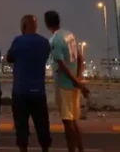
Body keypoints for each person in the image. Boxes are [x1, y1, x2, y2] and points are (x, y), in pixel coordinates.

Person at [44, 10, 90, 152]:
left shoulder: (54, 40)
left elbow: (62, 65)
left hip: (64, 85)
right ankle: (80, 149)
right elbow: (81, 58)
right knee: (73, 121)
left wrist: (76, 82)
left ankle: (72, 149)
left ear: (47, 24)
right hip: (74, 84)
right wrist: (78, 79)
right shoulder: (70, 35)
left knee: (67, 123)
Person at [6, 15, 52, 152]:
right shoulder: (44, 43)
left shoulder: (18, 41)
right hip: (39, 92)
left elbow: (9, 58)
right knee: (42, 126)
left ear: (23, 26)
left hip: (20, 91)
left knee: (21, 128)